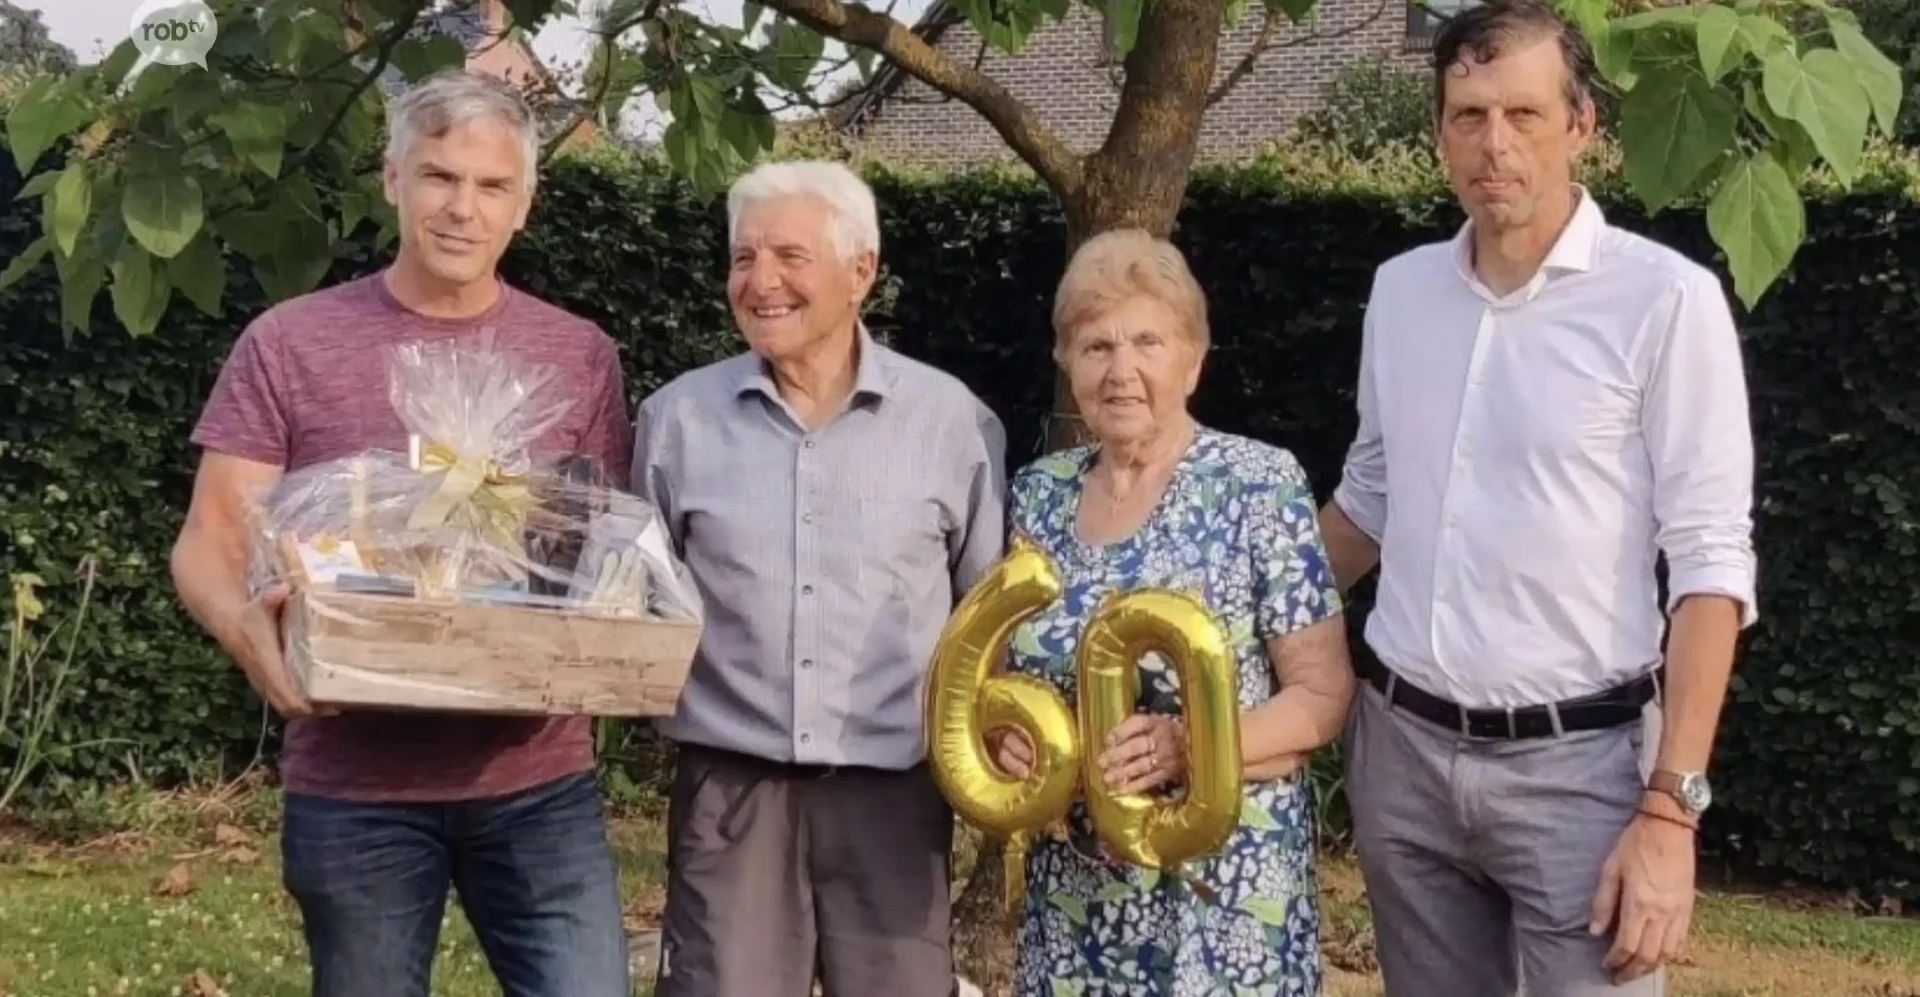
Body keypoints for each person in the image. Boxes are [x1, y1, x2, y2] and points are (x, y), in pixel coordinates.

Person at [1319, 0, 1758, 997]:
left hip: (1585, 776)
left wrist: (1670, 813)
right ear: (1438, 132)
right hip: (1403, 763)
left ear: (1582, 127)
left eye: (1523, 114)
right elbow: (1371, 503)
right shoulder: (1401, 292)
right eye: (1467, 116)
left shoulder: (1665, 301)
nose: (1494, 144)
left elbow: (1710, 567)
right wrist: (1229, 602)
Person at [172, 69, 633, 997]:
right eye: (439, 177)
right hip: (355, 789)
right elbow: (210, 538)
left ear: (525, 205)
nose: (463, 208)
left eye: (492, 185)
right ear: (392, 180)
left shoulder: (578, 355)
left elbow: (600, 550)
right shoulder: (290, 342)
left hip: (538, 780)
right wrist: (259, 648)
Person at [632, 160, 1008, 997]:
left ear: (861, 270)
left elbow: (988, 624)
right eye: (742, 257)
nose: (761, 281)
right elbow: (643, 612)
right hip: (732, 796)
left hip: (896, 800)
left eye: (790, 256)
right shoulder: (673, 424)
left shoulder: (954, 423)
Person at [986, 228, 1355, 996]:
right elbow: (1002, 675)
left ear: (1193, 355)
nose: (1122, 371)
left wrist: (1191, 745)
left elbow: (1321, 700)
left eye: (1147, 342)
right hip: (1074, 901)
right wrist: (1011, 739)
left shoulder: (1259, 483)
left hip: (1220, 901)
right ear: (1066, 362)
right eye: (1096, 347)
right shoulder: (1039, 494)